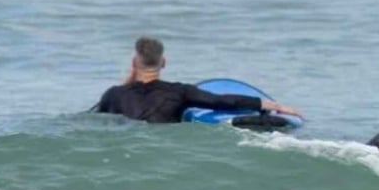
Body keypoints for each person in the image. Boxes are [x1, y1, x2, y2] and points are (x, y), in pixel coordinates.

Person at [93, 36, 302, 123]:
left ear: (134, 63)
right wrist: (274, 105)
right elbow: (223, 101)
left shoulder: (113, 95)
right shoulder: (179, 92)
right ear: (163, 62)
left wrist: (130, 77)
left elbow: (95, 117)